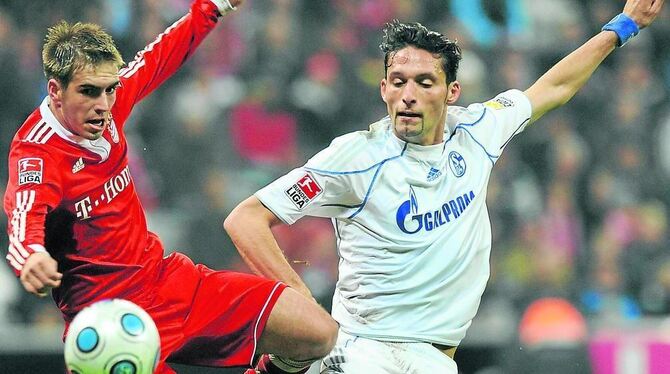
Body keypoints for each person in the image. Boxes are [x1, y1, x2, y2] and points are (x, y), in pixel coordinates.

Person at [224, 0, 665, 372]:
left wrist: (622, 27)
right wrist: (304, 312)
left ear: (452, 91)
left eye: (424, 82)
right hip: (368, 355)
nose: (408, 94)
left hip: (434, 361)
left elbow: (554, 86)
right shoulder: (356, 157)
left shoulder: (479, 130)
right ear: (383, 89)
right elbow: (246, 219)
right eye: (398, 82)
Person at [3, 1, 337, 373]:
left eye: (110, 90)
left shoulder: (109, 105)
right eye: (89, 92)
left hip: (169, 282)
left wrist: (214, 7)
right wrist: (31, 256)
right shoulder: (37, 155)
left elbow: (159, 55)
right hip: (112, 324)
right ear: (55, 90)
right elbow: (24, 217)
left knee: (317, 333)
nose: (103, 105)